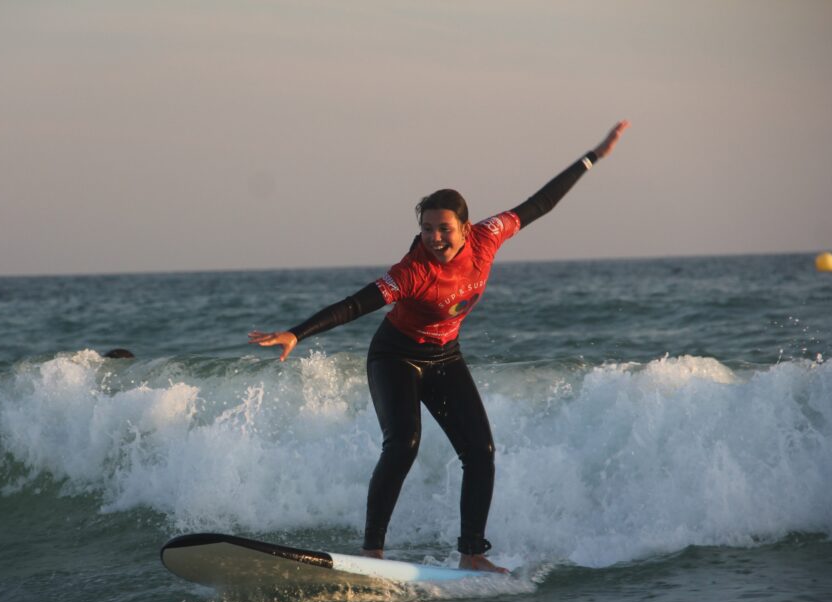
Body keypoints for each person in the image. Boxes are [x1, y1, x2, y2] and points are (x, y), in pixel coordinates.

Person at [249, 121, 630, 572]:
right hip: (395, 356)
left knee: (481, 454)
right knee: (404, 443)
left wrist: (593, 156)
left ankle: (471, 554)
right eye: (427, 229)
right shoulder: (412, 272)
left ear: (465, 227)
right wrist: (298, 331)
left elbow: (540, 203)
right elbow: (355, 305)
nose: (434, 238)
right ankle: (373, 553)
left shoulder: (488, 236)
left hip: (444, 356)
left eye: (444, 228)